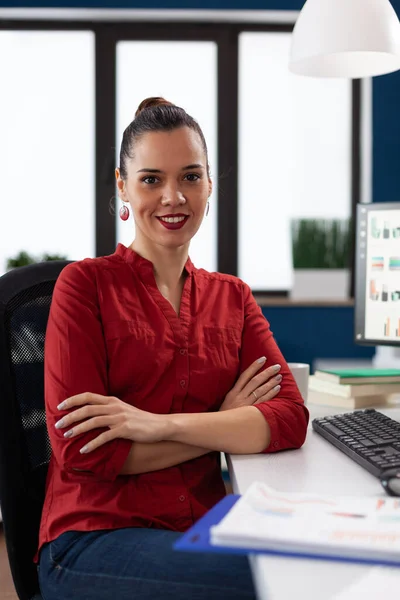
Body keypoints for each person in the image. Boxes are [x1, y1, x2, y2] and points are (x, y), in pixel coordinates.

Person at [36, 97, 309, 600]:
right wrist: (223, 422)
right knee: (279, 580)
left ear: (210, 186)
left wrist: (160, 425)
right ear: (122, 186)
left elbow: (290, 418)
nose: (173, 197)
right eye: (151, 179)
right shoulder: (84, 286)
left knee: (316, 558)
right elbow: (80, 451)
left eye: (189, 177)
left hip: (202, 528)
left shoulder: (234, 296)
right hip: (95, 538)